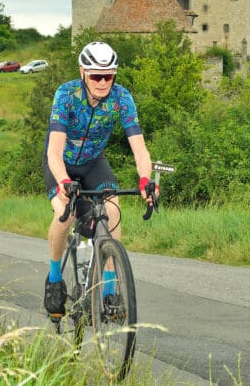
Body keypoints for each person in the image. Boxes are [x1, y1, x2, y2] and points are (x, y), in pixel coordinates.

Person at [42, 41, 155, 321]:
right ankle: (55, 278)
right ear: (83, 72)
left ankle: (108, 290)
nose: (103, 82)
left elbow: (139, 149)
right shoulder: (66, 95)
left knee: (113, 211)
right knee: (64, 215)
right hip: (61, 163)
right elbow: (54, 151)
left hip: (94, 162)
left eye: (109, 75)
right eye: (96, 75)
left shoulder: (122, 98)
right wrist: (64, 181)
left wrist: (145, 180)